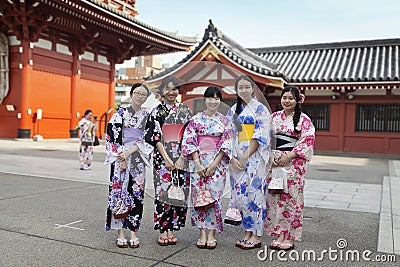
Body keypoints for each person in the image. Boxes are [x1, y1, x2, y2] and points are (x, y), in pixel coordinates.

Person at [181, 86, 233, 249]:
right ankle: (202, 233)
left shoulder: (225, 121)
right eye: (210, 98)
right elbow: (189, 141)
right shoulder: (195, 119)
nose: (213, 101)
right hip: (198, 162)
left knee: (214, 198)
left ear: (220, 101)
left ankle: (212, 233)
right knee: (199, 197)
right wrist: (197, 163)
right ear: (205, 100)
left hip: (216, 164)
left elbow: (227, 144)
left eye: (217, 98)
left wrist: (214, 165)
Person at [265, 86, 315, 251]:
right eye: (284, 97)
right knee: (275, 198)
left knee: (291, 199)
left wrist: (289, 156)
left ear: (297, 100)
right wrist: (271, 156)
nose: (287, 101)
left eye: (290, 98)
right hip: (274, 163)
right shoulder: (273, 117)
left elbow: (307, 141)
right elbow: (266, 138)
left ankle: (289, 237)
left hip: (293, 164)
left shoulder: (304, 120)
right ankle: (278, 234)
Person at [145, 75, 192, 246]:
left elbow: (189, 136)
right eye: (168, 89)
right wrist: (165, 158)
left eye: (174, 89)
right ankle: (163, 229)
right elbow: (155, 136)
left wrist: (181, 158)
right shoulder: (156, 111)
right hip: (162, 158)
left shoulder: (185, 111)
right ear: (162, 91)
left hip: (182, 159)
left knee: (178, 193)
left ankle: (172, 227)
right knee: (163, 194)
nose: (171, 92)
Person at [226, 75, 272, 250]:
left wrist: (245, 156)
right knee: (241, 196)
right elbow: (228, 135)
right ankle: (247, 231)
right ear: (236, 90)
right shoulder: (233, 110)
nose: (244, 90)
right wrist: (232, 157)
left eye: (247, 87)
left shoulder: (261, 110)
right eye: (240, 88)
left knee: (255, 195)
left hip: (254, 158)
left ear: (253, 89)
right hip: (236, 158)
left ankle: (257, 234)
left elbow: (261, 135)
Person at [104, 83, 153, 248]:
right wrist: (121, 157)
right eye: (138, 93)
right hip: (120, 158)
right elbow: (112, 135)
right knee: (118, 192)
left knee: (137, 194)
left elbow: (149, 138)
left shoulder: (147, 115)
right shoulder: (120, 113)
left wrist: (131, 151)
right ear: (131, 94)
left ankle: (133, 231)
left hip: (137, 158)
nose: (140, 96)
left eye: (144, 94)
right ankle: (120, 232)